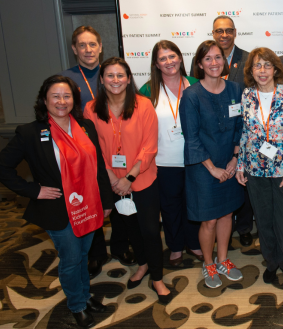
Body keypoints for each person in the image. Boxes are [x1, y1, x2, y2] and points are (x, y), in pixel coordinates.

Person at [0, 75, 113, 327]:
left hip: (88, 204)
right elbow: (3, 166)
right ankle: (76, 305)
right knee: (71, 258)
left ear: (74, 99)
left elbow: (99, 168)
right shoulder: (31, 132)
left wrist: (106, 201)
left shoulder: (86, 127)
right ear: (44, 100)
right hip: (58, 208)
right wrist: (33, 190)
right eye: (55, 96)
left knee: (83, 255)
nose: (62, 101)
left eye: (67, 96)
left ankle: (84, 296)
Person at [84, 58, 172, 304]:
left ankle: (157, 277)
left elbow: (150, 146)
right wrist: (113, 178)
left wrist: (129, 177)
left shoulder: (143, 105)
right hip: (112, 181)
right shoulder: (91, 109)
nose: (115, 80)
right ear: (101, 79)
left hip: (142, 179)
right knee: (130, 228)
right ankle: (142, 265)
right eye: (109, 76)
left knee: (150, 231)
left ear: (128, 78)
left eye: (120, 75)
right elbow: (93, 147)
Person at [58, 26, 128, 279]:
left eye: (92, 45)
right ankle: (96, 253)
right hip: (82, 151)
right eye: (82, 45)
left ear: (100, 47)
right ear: (75, 49)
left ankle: (121, 246)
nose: (88, 50)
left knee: (119, 200)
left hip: (117, 148)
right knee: (92, 202)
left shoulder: (113, 72)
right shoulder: (66, 79)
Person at [235, 47, 283, 284]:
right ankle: (271, 262)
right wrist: (241, 166)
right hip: (255, 170)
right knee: (263, 220)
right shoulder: (246, 96)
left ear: (275, 69)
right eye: (257, 65)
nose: (262, 70)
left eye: (267, 65)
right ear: (251, 70)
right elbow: (245, 133)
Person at [180, 40, 245, 289]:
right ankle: (208, 263)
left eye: (218, 57)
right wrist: (212, 168)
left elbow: (241, 126)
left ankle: (223, 260)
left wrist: (235, 158)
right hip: (203, 168)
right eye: (208, 59)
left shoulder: (235, 89)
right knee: (208, 220)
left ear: (225, 61)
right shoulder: (191, 95)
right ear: (199, 64)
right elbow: (192, 137)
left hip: (229, 163)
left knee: (227, 213)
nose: (214, 63)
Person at [139, 40, 202, 267]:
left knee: (193, 204)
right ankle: (175, 246)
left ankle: (194, 243)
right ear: (156, 64)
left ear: (180, 58)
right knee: (170, 206)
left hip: (195, 159)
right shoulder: (147, 91)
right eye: (163, 58)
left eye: (172, 56)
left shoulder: (196, 84)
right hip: (164, 161)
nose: (169, 62)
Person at [212, 15, 254, 247]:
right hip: (215, 133)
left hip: (242, 130)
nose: (224, 35)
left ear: (235, 32)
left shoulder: (247, 59)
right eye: (219, 31)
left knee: (242, 180)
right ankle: (220, 228)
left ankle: (245, 227)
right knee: (220, 178)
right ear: (213, 34)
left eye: (228, 30)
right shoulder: (206, 58)